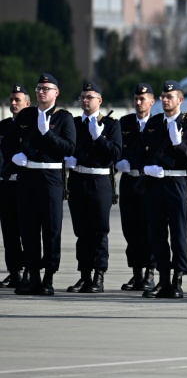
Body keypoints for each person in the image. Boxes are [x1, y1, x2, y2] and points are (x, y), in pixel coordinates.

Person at [9, 73, 76, 296]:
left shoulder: (64, 118)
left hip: (50, 179)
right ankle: (33, 276)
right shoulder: (26, 115)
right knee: (27, 228)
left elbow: (68, 148)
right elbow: (7, 142)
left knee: (51, 229)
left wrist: (48, 134)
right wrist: (13, 157)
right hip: (27, 177)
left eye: (46, 88)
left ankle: (48, 277)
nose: (41, 91)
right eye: (39, 88)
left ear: (56, 93)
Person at [136, 80, 187, 299]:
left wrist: (179, 145)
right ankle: (163, 280)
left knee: (178, 234)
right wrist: (146, 168)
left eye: (169, 96)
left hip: (178, 185)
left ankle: (177, 280)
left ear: (180, 100)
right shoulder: (154, 123)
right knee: (156, 233)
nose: (165, 100)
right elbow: (139, 154)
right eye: (163, 96)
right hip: (155, 184)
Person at [63, 81, 122, 293]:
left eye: (90, 97)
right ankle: (84, 274)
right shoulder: (75, 124)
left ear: (100, 100)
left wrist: (99, 137)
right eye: (83, 97)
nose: (85, 101)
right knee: (81, 231)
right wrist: (68, 158)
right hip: (78, 180)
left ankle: (99, 275)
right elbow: (69, 146)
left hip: (100, 182)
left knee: (99, 231)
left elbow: (115, 153)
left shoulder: (111, 125)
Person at [115, 83, 157, 291]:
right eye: (136, 99)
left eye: (143, 99)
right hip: (129, 181)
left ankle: (150, 272)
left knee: (149, 229)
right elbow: (116, 149)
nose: (139, 103)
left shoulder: (158, 124)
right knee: (130, 229)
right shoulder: (124, 123)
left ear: (152, 101)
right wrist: (118, 162)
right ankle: (136, 273)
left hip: (148, 182)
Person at [0, 84, 31, 289]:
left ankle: (30, 270)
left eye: (17, 100)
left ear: (27, 103)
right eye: (11, 99)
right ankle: (14, 271)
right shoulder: (2, 126)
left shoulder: (34, 125)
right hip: (5, 185)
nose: (13, 103)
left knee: (27, 230)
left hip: (26, 185)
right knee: (9, 230)